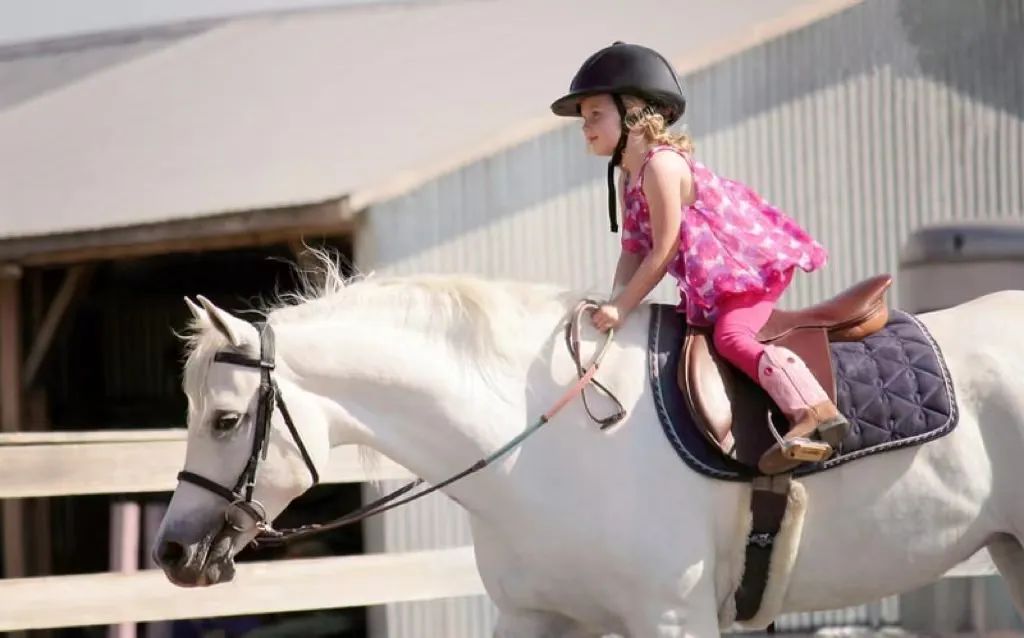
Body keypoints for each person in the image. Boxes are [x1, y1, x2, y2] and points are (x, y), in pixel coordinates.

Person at [549, 41, 848, 474]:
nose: (585, 126)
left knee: (731, 336)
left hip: (745, 273)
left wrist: (624, 305)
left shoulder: (661, 167)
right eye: (584, 119)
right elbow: (633, 250)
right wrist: (616, 304)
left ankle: (814, 410)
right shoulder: (628, 178)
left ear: (633, 113)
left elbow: (665, 245)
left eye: (595, 114)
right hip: (716, 283)